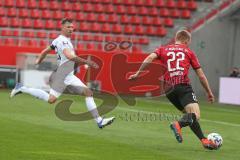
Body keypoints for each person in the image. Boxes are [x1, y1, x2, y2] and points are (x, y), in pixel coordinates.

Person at [10, 18, 115, 129]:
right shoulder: (63, 41)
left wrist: (38, 60)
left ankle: (99, 121)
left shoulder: (57, 40)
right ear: (62, 27)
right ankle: (22, 88)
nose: (71, 29)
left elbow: (45, 51)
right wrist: (86, 61)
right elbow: (69, 55)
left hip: (68, 74)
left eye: (72, 27)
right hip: (63, 75)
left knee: (81, 94)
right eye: (68, 27)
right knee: (55, 99)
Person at [129, 29, 217, 150]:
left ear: (176, 38)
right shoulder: (189, 52)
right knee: (195, 115)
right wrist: (209, 92)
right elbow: (201, 75)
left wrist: (138, 73)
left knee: (188, 116)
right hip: (183, 85)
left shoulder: (163, 49)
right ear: (186, 40)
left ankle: (204, 140)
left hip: (168, 89)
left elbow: (149, 58)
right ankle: (177, 124)